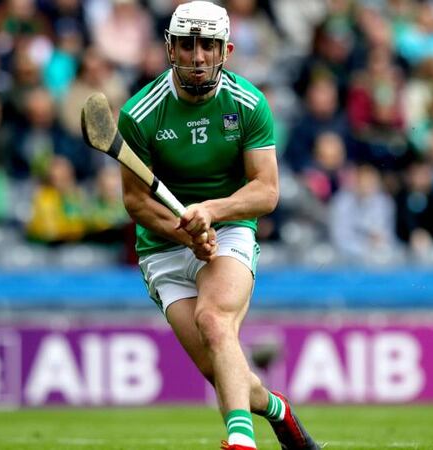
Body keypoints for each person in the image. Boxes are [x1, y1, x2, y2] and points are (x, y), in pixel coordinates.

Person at [117, 2, 319, 449]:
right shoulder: (140, 113)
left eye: (208, 44)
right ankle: (277, 409)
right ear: (171, 47)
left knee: (214, 322)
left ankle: (240, 442)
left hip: (228, 227)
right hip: (163, 248)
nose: (198, 55)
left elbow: (266, 191)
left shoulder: (248, 103)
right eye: (187, 44)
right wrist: (182, 231)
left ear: (225, 49)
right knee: (222, 370)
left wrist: (210, 213)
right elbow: (135, 202)